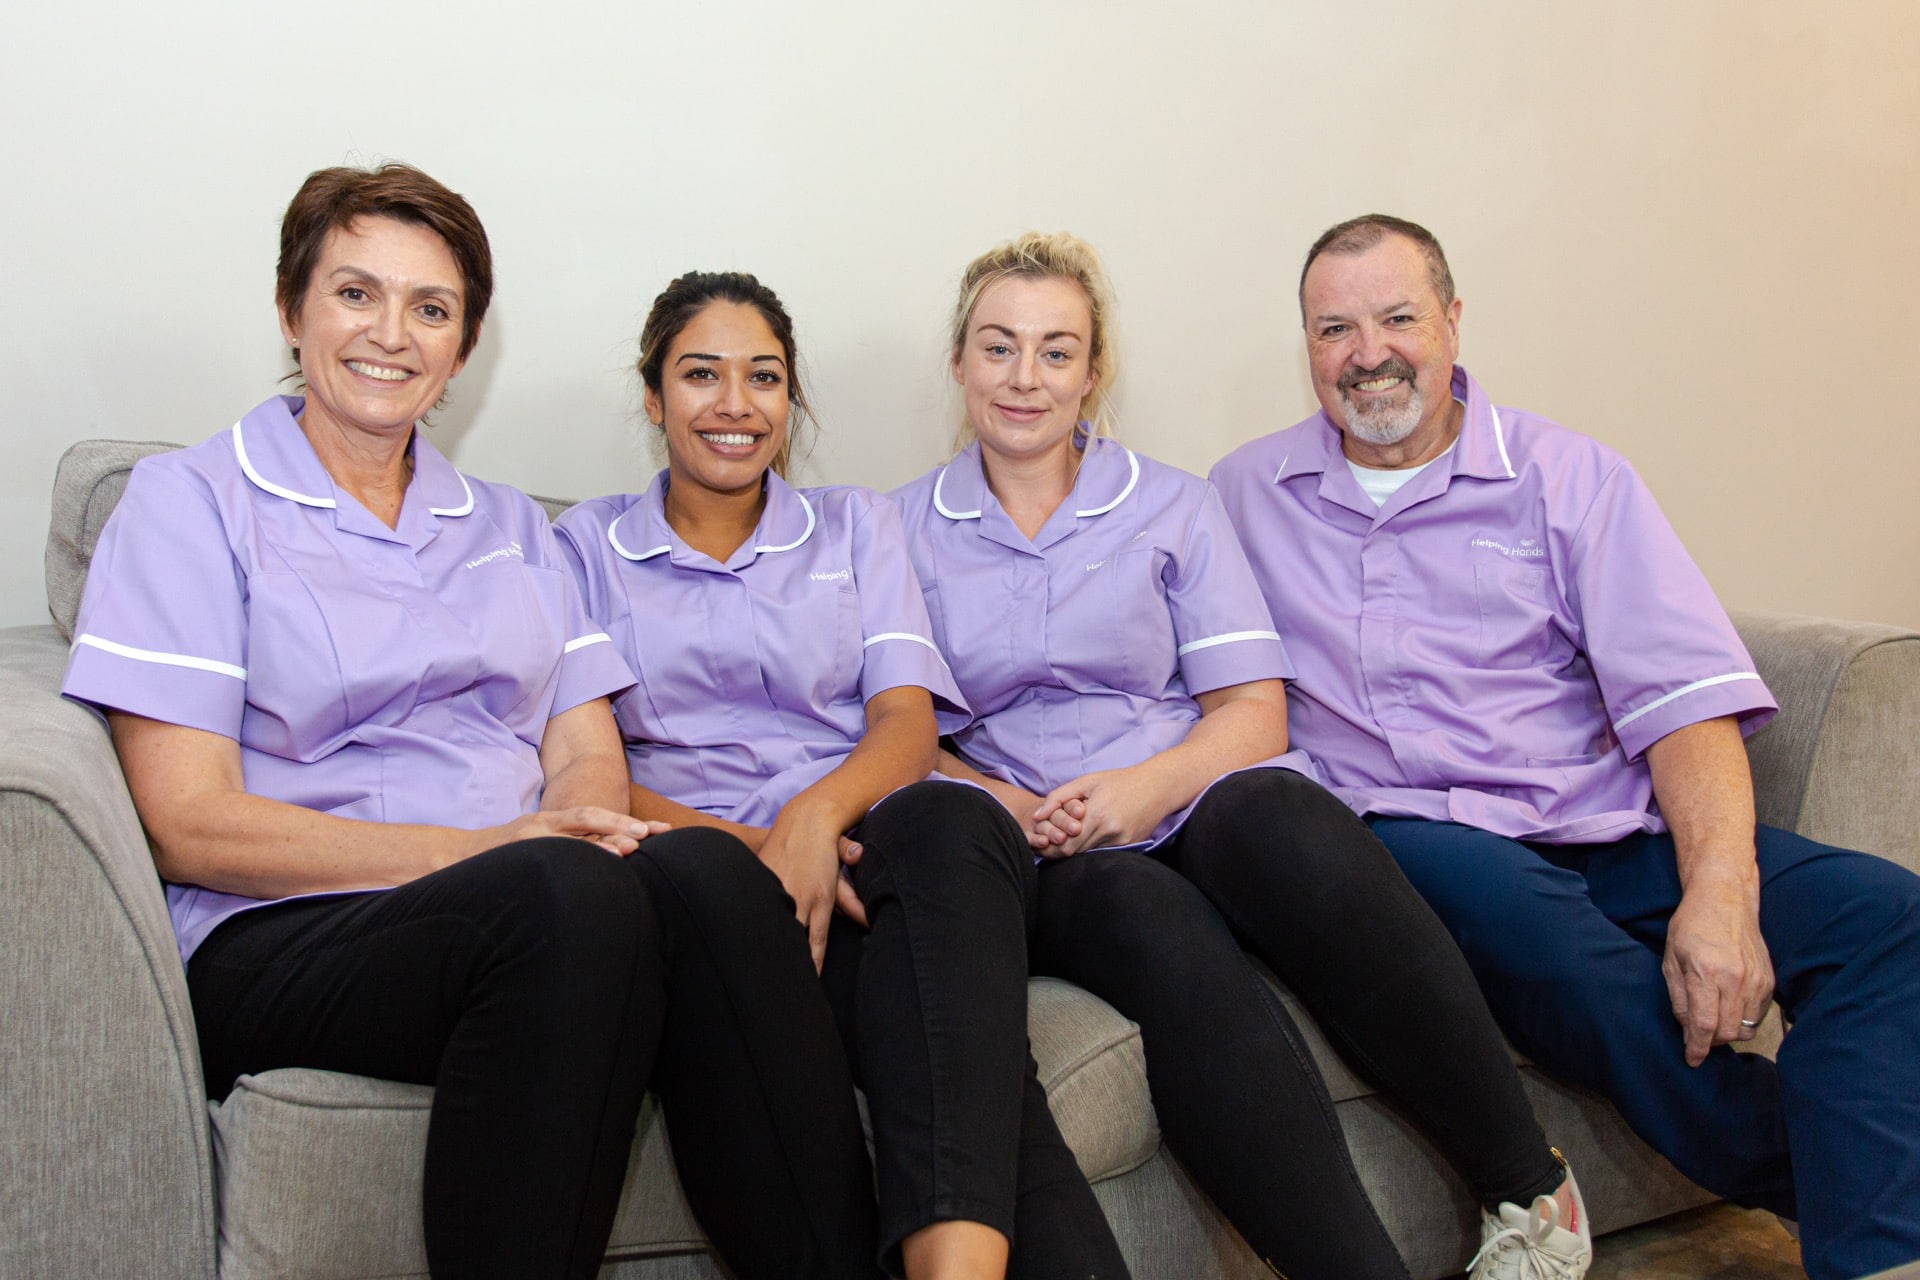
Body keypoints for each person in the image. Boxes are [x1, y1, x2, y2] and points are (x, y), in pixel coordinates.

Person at [60, 164, 882, 1280]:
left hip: (525, 898)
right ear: (291, 307)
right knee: (569, 898)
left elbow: (586, 744)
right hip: (290, 926)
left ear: (462, 345)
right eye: (356, 293)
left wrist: (571, 828)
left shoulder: (501, 524)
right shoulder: (190, 502)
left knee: (706, 877)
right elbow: (186, 820)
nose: (391, 333)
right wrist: (485, 853)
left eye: (431, 309)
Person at [1209, 213, 1920, 1280]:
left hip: (1595, 820)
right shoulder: (1241, 496)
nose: (1368, 353)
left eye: (1398, 317)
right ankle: (1840, 1182)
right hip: (1404, 832)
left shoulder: (1569, 477)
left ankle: (1876, 1248)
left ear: (1452, 321)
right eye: (1334, 329)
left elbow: (1682, 697)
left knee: (1884, 917)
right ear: (1306, 347)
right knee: (1545, 938)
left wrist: (1719, 889)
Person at [890, 231, 1593, 1280]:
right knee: (1153, 920)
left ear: (1094, 372)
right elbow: (894, 732)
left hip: (1174, 787)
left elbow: (1254, 710)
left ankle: (1523, 1173)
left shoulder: (1174, 504)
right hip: (1037, 840)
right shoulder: (897, 526)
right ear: (959, 364)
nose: (1025, 378)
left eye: (1055, 350)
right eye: (998, 348)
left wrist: (1142, 789)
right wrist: (1001, 797)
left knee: (1286, 817)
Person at [553, 271, 1128, 1280]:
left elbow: (906, 723)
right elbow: (586, 765)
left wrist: (815, 821)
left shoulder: (859, 524)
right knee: (976, 1072)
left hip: (868, 844)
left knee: (957, 829)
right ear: (653, 397)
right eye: (701, 374)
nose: (736, 404)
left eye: (764, 377)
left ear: (793, 399)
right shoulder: (578, 548)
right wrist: (763, 853)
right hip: (704, 867)